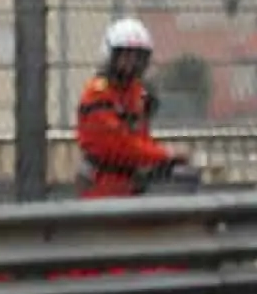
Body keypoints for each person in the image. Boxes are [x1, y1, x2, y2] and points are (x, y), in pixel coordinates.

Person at [76, 18, 186, 201]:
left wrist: (163, 159)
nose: (131, 63)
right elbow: (117, 146)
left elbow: (140, 139)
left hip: (131, 183)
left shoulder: (136, 93)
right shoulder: (97, 94)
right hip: (103, 185)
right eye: (125, 56)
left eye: (137, 57)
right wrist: (164, 155)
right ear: (111, 56)